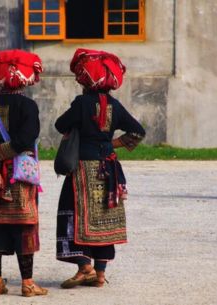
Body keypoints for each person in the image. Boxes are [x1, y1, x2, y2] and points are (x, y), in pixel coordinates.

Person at [55, 48, 146, 288]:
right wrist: (109, 143)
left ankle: (84, 267)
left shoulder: (82, 103)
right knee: (105, 218)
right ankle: (100, 274)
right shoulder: (115, 105)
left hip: (82, 169)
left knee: (73, 213)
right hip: (109, 170)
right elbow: (138, 132)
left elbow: (59, 124)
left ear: (85, 79)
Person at [0, 49, 48, 297]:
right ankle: (27, 284)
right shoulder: (28, 106)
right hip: (19, 177)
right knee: (24, 227)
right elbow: (25, 141)